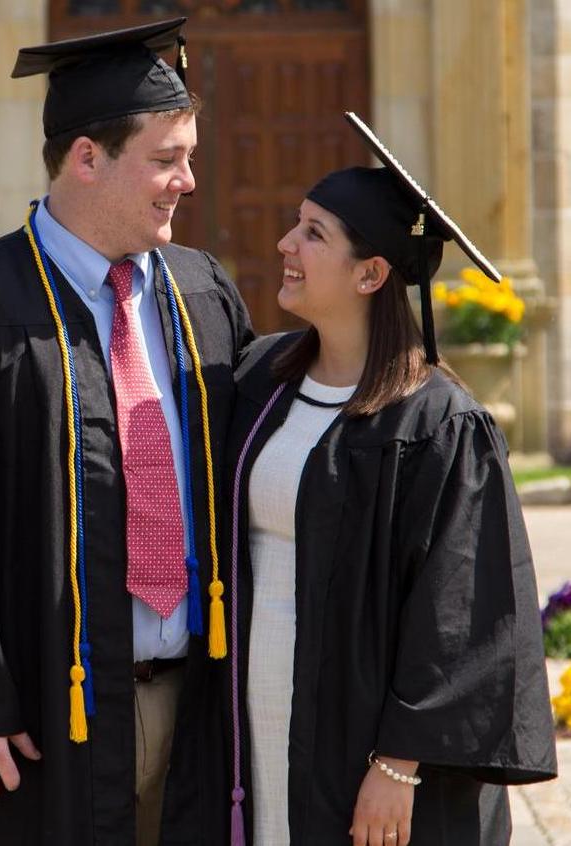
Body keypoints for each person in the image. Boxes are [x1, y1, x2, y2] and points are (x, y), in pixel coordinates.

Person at [0, 18, 252, 846]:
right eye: (167, 158)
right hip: (46, 711)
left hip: (200, 708)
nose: (189, 181)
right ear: (87, 157)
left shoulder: (202, 291)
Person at [221, 113, 557, 846]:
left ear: (372, 273)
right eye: (294, 225)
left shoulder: (437, 424)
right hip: (259, 717)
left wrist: (399, 765)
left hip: (372, 748)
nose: (286, 244)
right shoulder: (260, 381)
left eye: (314, 233)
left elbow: (459, 611)